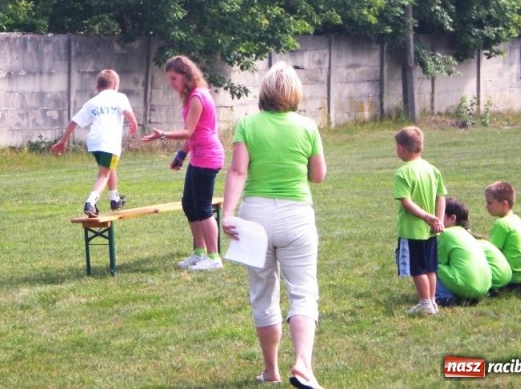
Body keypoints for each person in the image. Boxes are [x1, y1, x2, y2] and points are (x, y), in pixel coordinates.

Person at [221, 62, 326, 388]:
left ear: (264, 92)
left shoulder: (247, 125)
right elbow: (318, 175)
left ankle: (271, 371)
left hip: (255, 217)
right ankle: (302, 365)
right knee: (303, 292)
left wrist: (227, 213)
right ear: (294, 93)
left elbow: (238, 172)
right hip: (296, 215)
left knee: (263, 294)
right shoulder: (307, 127)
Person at [142, 55, 225, 272]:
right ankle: (199, 253)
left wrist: (162, 135)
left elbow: (188, 131)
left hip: (208, 156)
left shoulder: (198, 97)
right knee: (189, 204)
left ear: (186, 76)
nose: (172, 83)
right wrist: (181, 155)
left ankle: (214, 257)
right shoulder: (191, 97)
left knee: (204, 208)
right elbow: (193, 134)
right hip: (198, 156)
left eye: (174, 78)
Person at [51, 69, 138, 217]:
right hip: (109, 141)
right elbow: (127, 112)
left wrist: (62, 141)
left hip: (94, 142)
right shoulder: (120, 97)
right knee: (104, 174)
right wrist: (134, 123)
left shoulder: (92, 102)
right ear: (116, 84)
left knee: (109, 168)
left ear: (97, 88)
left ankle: (115, 199)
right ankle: (90, 203)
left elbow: (74, 122)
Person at [393, 126, 447, 316]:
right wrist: (438, 219)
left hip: (412, 230)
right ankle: (432, 301)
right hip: (432, 229)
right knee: (430, 267)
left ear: (401, 147)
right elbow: (441, 196)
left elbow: (406, 201)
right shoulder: (432, 169)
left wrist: (425, 216)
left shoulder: (402, 172)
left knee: (417, 269)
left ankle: (425, 303)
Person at [435, 197, 492, 306]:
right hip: (484, 287)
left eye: (439, 214)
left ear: (452, 218)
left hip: (467, 287)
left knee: (429, 263)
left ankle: (444, 296)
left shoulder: (446, 234)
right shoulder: (468, 234)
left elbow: (440, 261)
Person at [484, 181, 521, 288]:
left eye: (489, 203)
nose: (486, 206)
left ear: (504, 204)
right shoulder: (517, 220)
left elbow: (491, 252)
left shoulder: (501, 224)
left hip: (509, 278)